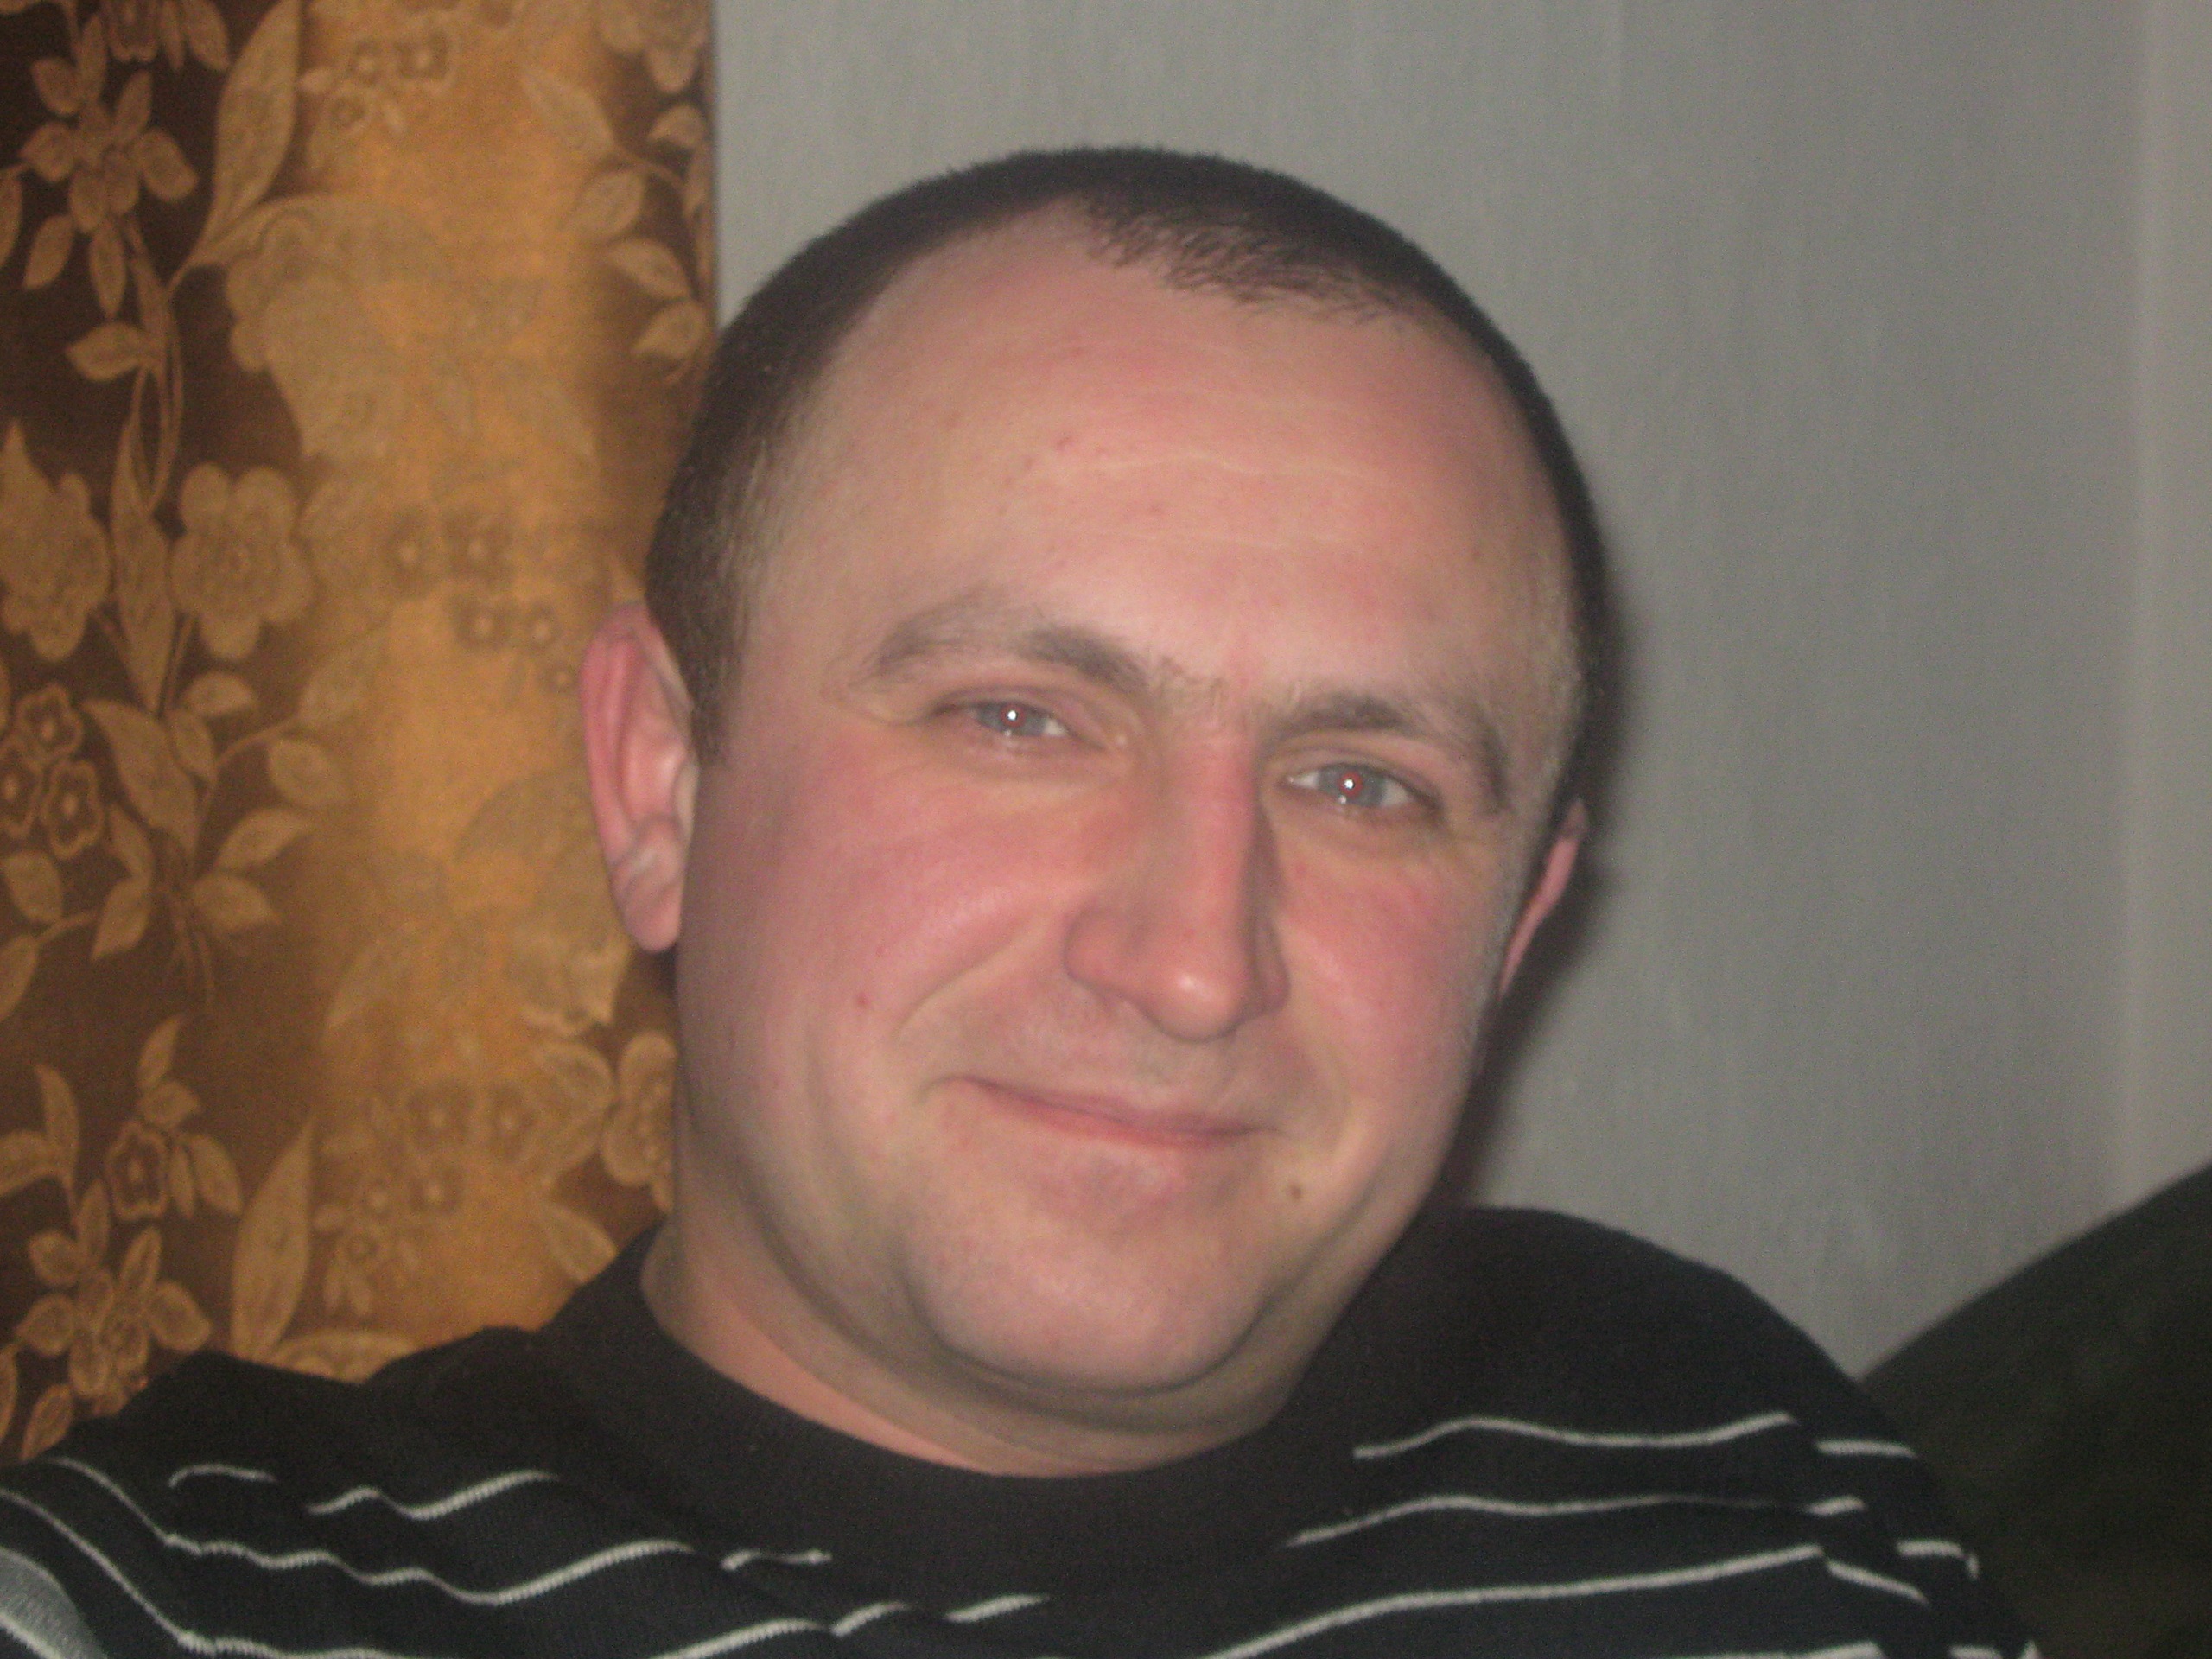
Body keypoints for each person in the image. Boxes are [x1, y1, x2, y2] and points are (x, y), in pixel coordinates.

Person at [0, 149, 2028, 1657]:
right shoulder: (201, 1595)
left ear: (1512, 925)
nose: (1189, 961)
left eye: (1360, 783)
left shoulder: (1724, 1451)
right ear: (659, 783)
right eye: (1015, 718)